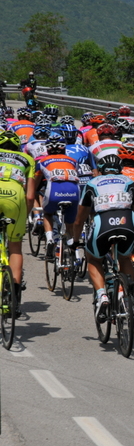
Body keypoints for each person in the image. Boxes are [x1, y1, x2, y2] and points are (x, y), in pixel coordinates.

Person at [75, 155, 134, 321]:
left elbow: (80, 219)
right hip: (127, 220)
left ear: (101, 169)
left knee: (93, 259)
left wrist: (75, 240)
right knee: (125, 258)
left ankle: (102, 295)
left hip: (103, 222)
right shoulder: (129, 181)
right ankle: (126, 296)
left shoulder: (92, 183)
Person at [0, 131, 34, 317]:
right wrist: (24, 216)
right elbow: (30, 196)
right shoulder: (27, 158)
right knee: (14, 248)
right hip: (15, 197)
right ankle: (12, 295)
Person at [33, 133, 81, 261]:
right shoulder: (72, 160)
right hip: (74, 191)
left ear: (48, 149)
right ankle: (73, 252)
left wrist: (35, 192)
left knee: (48, 214)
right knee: (69, 223)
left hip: (54, 190)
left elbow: (36, 182)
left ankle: (49, 240)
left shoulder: (42, 161)